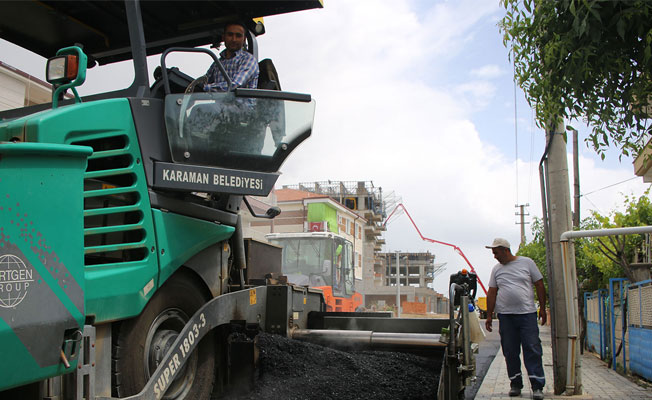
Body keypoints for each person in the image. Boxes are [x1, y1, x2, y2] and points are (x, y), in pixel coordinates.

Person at [484, 238, 546, 400]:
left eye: (496, 253)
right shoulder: (497, 269)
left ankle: (537, 385)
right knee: (510, 350)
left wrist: (543, 309)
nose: (494, 256)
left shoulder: (527, 263)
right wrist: (489, 315)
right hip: (506, 316)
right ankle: (515, 384)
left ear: (505, 250)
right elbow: (492, 292)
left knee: (532, 348)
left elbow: (539, 284)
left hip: (527, 314)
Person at [204, 21, 259, 91]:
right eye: (230, 35)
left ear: (244, 39)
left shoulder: (248, 60)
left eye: (238, 36)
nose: (234, 39)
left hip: (238, 102)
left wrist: (206, 88)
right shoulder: (217, 64)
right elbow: (204, 81)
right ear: (223, 37)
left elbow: (235, 84)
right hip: (219, 102)